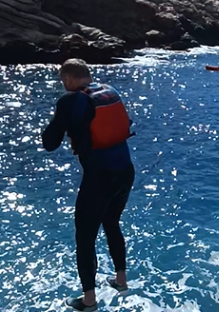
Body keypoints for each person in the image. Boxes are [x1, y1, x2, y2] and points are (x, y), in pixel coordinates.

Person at [41, 58, 135, 311]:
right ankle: (121, 280)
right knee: (112, 222)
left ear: (68, 79)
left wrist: (57, 118)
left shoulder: (70, 99)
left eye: (63, 82)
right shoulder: (109, 92)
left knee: (85, 238)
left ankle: (89, 300)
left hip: (99, 178)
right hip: (126, 171)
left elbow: (50, 143)